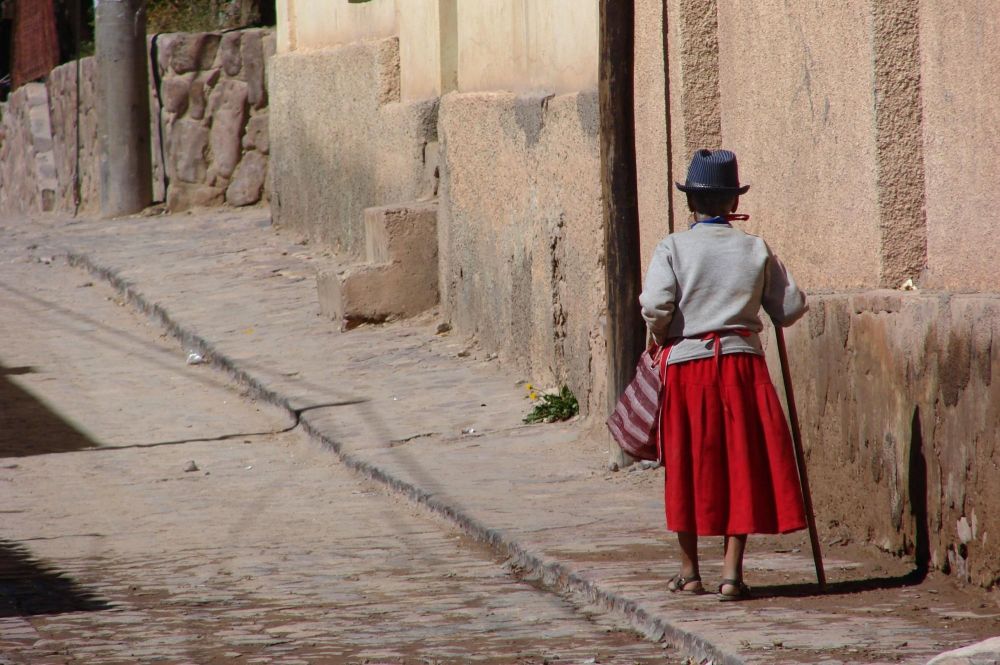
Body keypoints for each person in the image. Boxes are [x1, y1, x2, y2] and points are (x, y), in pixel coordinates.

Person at [638, 148, 808, 600]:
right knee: (740, 464)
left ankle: (690, 572)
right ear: (733, 203)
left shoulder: (672, 247)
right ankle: (732, 574)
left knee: (685, 464)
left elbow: (656, 305)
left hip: (687, 367)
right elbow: (790, 308)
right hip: (742, 367)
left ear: (690, 203)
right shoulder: (754, 248)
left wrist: (658, 333)